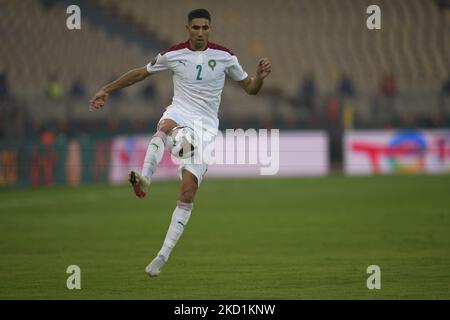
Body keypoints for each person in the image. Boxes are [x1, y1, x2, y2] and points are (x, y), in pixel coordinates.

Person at [89, 9, 271, 277]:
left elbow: (250, 89)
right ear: (187, 28)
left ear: (210, 29)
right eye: (195, 27)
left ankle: (162, 255)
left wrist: (260, 79)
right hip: (179, 113)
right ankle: (145, 178)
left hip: (206, 129)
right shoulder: (173, 55)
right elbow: (140, 73)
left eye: (205, 28)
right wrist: (106, 89)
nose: (200, 32)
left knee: (187, 192)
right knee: (165, 127)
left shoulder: (225, 56)